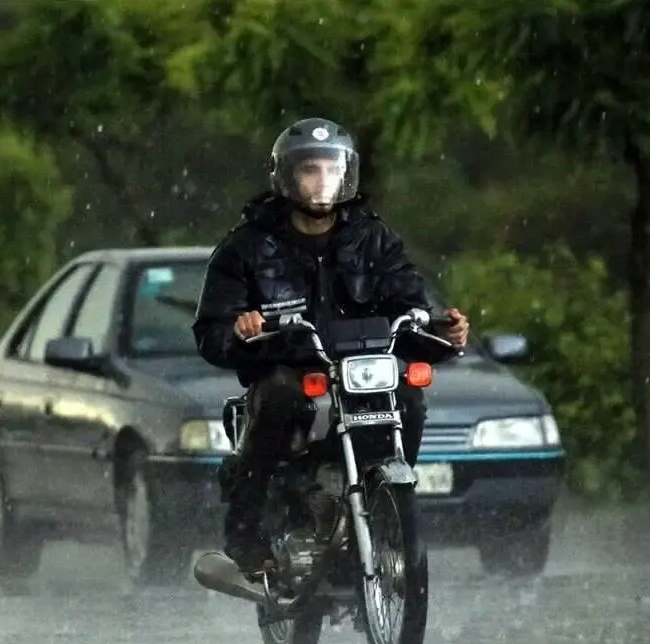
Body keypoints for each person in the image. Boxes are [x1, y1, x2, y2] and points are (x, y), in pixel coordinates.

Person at [191, 116, 470, 579]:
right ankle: (248, 534)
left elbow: (409, 307)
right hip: (292, 370)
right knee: (279, 395)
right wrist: (241, 329)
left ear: (347, 175)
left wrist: (443, 333)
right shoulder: (247, 246)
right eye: (309, 170)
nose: (322, 182)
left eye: (331, 170)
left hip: (361, 368)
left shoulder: (373, 239)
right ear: (287, 176)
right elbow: (211, 333)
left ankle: (388, 509)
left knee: (410, 399)